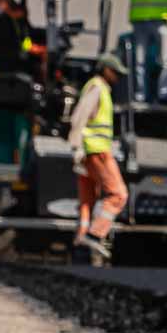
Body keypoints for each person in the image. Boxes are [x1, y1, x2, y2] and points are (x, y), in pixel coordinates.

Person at [68, 54, 127, 262]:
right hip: (96, 152)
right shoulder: (97, 88)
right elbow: (79, 117)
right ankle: (95, 235)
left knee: (88, 201)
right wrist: (76, 146)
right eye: (116, 72)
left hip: (89, 152)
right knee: (118, 195)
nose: (118, 77)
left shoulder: (99, 88)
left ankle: (81, 244)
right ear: (106, 70)